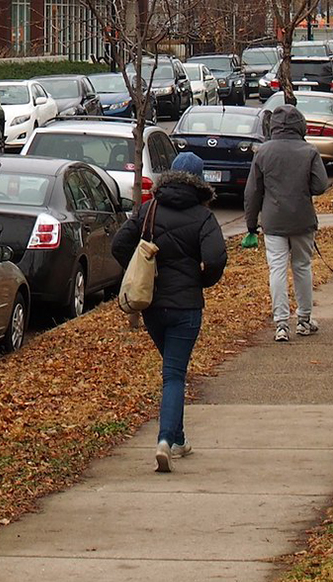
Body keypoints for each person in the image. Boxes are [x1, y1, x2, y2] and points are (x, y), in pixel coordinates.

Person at [114, 152, 226, 473]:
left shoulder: (149, 210)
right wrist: (202, 281)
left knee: (172, 370)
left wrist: (139, 272)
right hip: (186, 307)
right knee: (174, 374)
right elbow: (216, 258)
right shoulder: (203, 217)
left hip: (152, 306)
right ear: (199, 182)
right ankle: (164, 440)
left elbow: (119, 245)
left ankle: (178, 438)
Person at [242, 105, 331, 343]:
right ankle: (304, 319)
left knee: (277, 270)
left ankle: (281, 323)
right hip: (302, 219)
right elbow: (321, 185)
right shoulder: (309, 151)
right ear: (299, 125)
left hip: (273, 220)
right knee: (302, 267)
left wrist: (251, 225)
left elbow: (252, 193)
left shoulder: (263, 152)